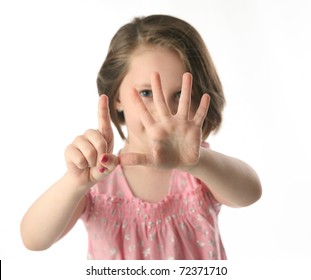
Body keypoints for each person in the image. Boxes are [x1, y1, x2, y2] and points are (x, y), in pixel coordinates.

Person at [20, 14, 262, 260]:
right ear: (117, 98)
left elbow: (251, 193)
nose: (164, 111)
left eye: (179, 94)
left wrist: (196, 163)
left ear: (199, 97)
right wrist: (74, 182)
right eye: (146, 92)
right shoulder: (98, 180)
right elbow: (34, 240)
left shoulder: (201, 169)